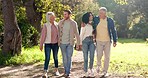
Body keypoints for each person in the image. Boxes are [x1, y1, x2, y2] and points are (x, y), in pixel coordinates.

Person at [93, 7, 118, 77]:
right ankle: (98, 66)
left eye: (101, 13)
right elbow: (89, 21)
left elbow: (113, 30)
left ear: (105, 13)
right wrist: (84, 23)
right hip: (98, 40)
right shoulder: (96, 19)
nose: (100, 14)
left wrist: (115, 40)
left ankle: (105, 71)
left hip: (107, 41)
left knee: (107, 56)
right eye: (99, 13)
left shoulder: (110, 20)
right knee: (99, 55)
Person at [58, 10, 80, 78]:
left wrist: (78, 43)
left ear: (69, 15)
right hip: (62, 43)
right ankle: (65, 70)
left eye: (66, 14)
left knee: (69, 57)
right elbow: (58, 33)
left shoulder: (73, 23)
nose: (64, 16)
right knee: (64, 58)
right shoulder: (60, 22)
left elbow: (76, 33)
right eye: (64, 14)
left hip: (70, 43)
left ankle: (68, 72)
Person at [40, 12, 60, 77]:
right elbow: (43, 35)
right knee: (47, 58)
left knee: (56, 57)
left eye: (53, 17)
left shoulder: (57, 25)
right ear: (48, 18)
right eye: (51, 17)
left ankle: (56, 70)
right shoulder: (46, 25)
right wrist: (41, 44)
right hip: (48, 44)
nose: (53, 18)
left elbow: (59, 35)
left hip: (56, 44)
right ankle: (45, 72)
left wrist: (59, 42)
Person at [80, 12, 96, 77]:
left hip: (92, 41)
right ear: (87, 17)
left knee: (92, 56)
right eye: (90, 15)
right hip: (85, 41)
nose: (91, 16)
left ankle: (91, 68)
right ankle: (85, 71)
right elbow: (81, 34)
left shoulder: (94, 24)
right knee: (85, 57)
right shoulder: (84, 24)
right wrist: (80, 43)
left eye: (92, 15)